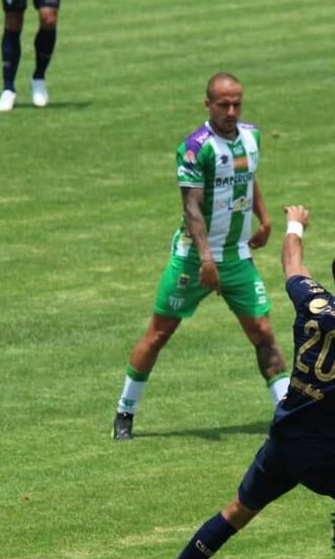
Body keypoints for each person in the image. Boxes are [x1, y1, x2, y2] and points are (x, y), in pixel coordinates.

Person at [122, 206, 335, 559]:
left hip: (283, 443)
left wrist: (295, 224)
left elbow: (292, 263)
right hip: (326, 457)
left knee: (234, 514)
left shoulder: (312, 300)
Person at [112, 73, 288, 441]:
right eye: (223, 105)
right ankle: (124, 413)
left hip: (237, 257)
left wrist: (266, 218)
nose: (231, 111)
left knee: (263, 332)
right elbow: (191, 207)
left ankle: (288, 418)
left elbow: (248, 176)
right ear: (208, 104)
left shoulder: (251, 136)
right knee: (159, 333)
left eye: (237, 104)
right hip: (194, 259)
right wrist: (207, 260)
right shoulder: (195, 148)